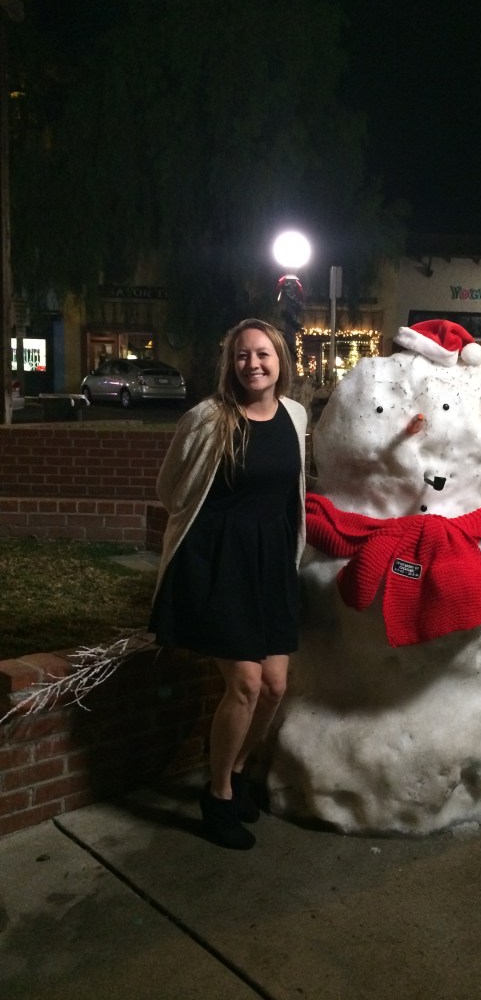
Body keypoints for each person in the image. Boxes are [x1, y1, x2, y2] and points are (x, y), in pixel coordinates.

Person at [149, 318, 307, 848]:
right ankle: (216, 796)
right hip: (219, 563)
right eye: (243, 355)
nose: (253, 364)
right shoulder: (209, 418)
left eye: (263, 354)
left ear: (280, 360)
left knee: (275, 686)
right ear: (230, 363)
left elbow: (292, 491)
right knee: (246, 683)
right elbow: (170, 488)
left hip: (272, 564)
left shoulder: (295, 415)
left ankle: (236, 774)